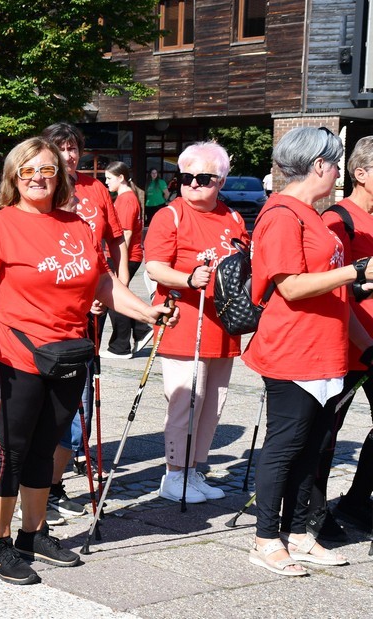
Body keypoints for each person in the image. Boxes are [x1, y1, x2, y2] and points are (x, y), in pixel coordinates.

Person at [0, 137, 175, 585]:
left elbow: (102, 283)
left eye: (47, 170)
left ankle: (34, 533)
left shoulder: (77, 225)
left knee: (47, 447)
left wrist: (146, 310)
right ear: (13, 177)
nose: (37, 178)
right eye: (27, 170)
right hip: (12, 350)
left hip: (66, 351)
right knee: (11, 447)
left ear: (60, 176)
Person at [243, 126, 373, 576]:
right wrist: (356, 271)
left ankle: (299, 533)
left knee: (311, 447)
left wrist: (367, 347)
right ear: (319, 165)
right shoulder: (281, 214)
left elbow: (335, 298)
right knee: (286, 447)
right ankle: (265, 539)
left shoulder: (312, 213)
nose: (337, 173)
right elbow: (292, 287)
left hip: (325, 350)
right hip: (292, 351)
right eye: (335, 163)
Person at [144, 142, 249, 503]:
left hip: (223, 323)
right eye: (185, 177)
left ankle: (195, 469)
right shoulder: (169, 216)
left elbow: (243, 263)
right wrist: (189, 279)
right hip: (184, 320)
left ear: (221, 180)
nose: (192, 184)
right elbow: (155, 266)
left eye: (203, 178)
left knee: (214, 401)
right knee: (187, 399)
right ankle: (174, 473)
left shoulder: (232, 218)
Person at [41, 122, 127, 520]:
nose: (70, 155)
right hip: (59, 303)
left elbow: (115, 239)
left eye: (74, 147)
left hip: (96, 299)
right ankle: (47, 482)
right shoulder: (45, 189)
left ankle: (70, 461)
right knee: (55, 393)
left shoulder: (96, 189)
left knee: (84, 385)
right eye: (62, 147)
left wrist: (119, 289)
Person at [315, 136, 373, 538]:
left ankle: (355, 501)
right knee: (324, 435)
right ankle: (311, 512)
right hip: (350, 347)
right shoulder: (338, 220)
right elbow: (331, 287)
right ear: (360, 173)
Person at [103, 161, 153, 359]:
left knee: (114, 297)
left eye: (109, 178)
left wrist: (120, 263)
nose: (106, 183)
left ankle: (121, 346)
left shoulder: (125, 200)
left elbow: (125, 234)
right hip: (124, 256)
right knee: (116, 295)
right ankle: (140, 330)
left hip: (125, 256)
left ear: (121, 178)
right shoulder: (126, 197)